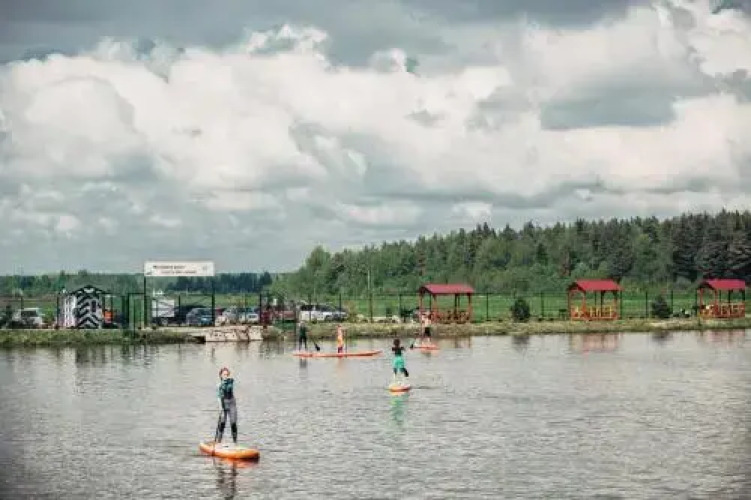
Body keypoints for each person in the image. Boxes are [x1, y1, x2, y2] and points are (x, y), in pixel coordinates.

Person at [216, 367, 238, 445]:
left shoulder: (231, 381)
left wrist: (227, 379)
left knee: (233, 423)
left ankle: (235, 443)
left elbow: (231, 381)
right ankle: (218, 442)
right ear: (221, 375)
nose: (226, 376)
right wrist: (220, 408)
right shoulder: (219, 385)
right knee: (222, 423)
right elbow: (218, 397)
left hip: (232, 403)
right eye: (224, 374)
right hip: (223, 404)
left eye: (227, 374)